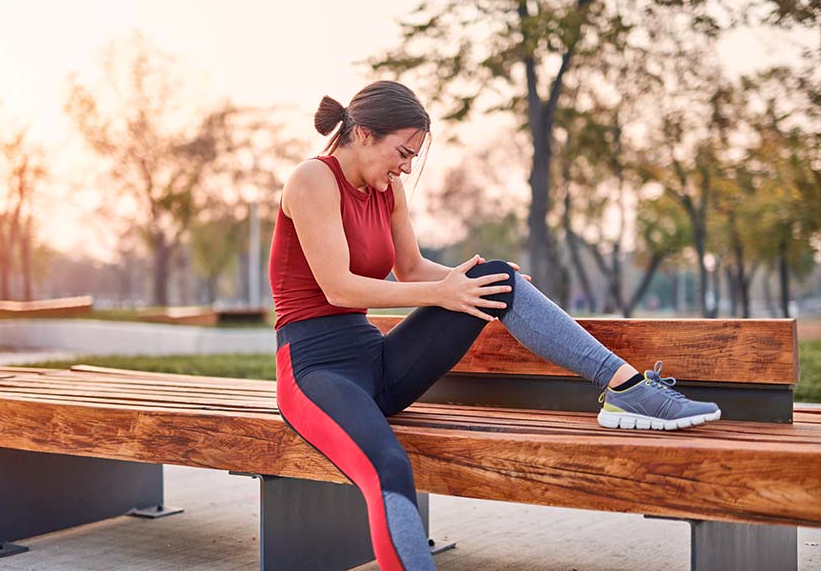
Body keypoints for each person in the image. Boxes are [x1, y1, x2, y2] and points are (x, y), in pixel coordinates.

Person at [269, 80, 720, 571]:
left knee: (496, 275)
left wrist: (488, 283)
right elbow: (341, 289)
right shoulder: (312, 180)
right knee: (390, 467)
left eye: (413, 157)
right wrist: (447, 292)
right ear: (361, 133)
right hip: (316, 374)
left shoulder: (388, 188)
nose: (406, 166)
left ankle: (627, 388)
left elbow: (413, 269)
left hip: (377, 364)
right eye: (402, 152)